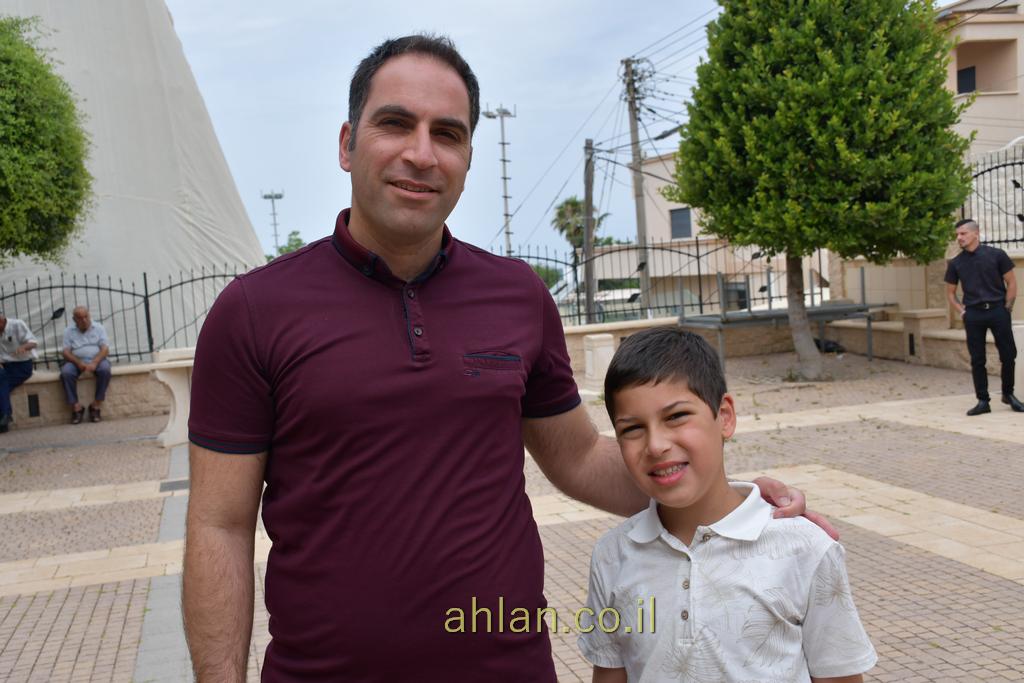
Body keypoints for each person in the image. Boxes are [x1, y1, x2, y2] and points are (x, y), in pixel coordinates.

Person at [183, 34, 831, 682]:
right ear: (347, 144)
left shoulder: (517, 296)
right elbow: (220, 525)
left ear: (467, 158)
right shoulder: (254, 312)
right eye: (395, 124)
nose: (421, 153)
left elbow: (579, 457)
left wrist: (732, 500)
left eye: (447, 133)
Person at [579, 327, 877, 682]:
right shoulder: (612, 556)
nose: (656, 445)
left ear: (725, 416)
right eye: (632, 429)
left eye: (676, 416)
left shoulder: (804, 548)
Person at [944, 218, 1021, 416]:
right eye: (957, 234)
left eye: (963, 233)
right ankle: (983, 400)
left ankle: (1008, 394)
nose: (959, 238)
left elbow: (1012, 282)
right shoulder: (956, 263)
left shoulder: (997, 255)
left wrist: (1007, 308)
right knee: (977, 359)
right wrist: (962, 311)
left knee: (1009, 355)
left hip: (998, 311)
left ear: (975, 234)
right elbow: (950, 293)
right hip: (973, 314)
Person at [60, 306, 112, 424]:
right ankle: (76, 407)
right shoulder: (68, 331)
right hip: (76, 360)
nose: (84, 320)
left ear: (89, 315)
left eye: (86, 317)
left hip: (97, 358)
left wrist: (95, 362)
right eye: (80, 318)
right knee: (66, 373)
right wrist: (78, 362)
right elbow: (66, 352)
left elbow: (105, 349)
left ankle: (95, 405)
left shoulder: (98, 328)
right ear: (74, 319)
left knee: (105, 370)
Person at [0, 312, 38, 433]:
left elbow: (33, 342)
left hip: (22, 365)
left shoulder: (17, 324)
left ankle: (5, 416)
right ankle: (5, 417)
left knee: (2, 384)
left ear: (2, 320)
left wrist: (24, 347)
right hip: (5, 365)